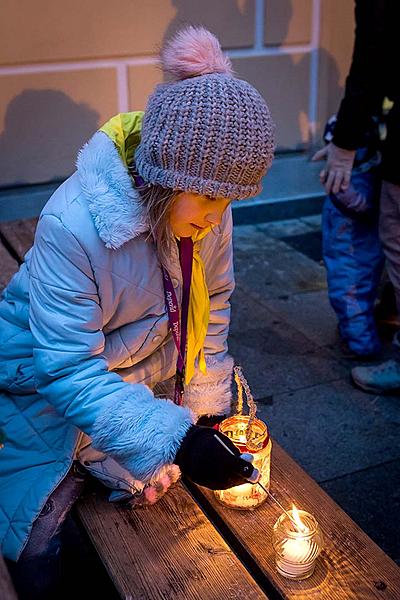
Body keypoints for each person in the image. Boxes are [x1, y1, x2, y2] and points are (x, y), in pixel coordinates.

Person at [0, 26, 275, 597]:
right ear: (163, 177)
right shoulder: (72, 227)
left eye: (230, 201)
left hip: (130, 368)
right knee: (33, 530)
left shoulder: (206, 205)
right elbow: (67, 369)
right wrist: (168, 437)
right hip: (37, 376)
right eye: (209, 200)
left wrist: (197, 412)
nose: (218, 217)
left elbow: (211, 304)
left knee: (157, 485)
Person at [313, 0, 400, 392]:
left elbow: (372, 59)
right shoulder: (375, 165)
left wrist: (340, 155)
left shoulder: (356, 185)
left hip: (350, 256)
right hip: (361, 256)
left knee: (358, 286)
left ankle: (362, 345)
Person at [321, 114, 384, 359]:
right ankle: (360, 335)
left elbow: (360, 205)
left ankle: (361, 345)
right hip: (362, 250)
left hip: (348, 252)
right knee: (362, 293)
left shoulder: (351, 179)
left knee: (349, 295)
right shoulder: (373, 173)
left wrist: (335, 187)